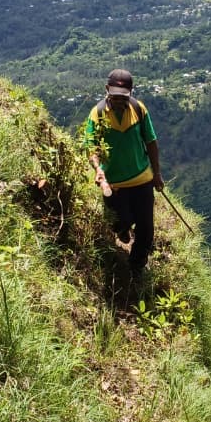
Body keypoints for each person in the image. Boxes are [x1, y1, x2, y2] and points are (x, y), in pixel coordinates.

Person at [84, 68, 163, 277]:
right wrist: (98, 170)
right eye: (114, 96)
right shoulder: (98, 113)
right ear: (106, 90)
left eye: (123, 97)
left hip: (141, 179)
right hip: (114, 184)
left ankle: (136, 267)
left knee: (146, 229)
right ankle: (123, 231)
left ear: (131, 92)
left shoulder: (138, 109)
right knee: (119, 222)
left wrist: (156, 174)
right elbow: (91, 146)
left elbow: (151, 142)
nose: (119, 100)